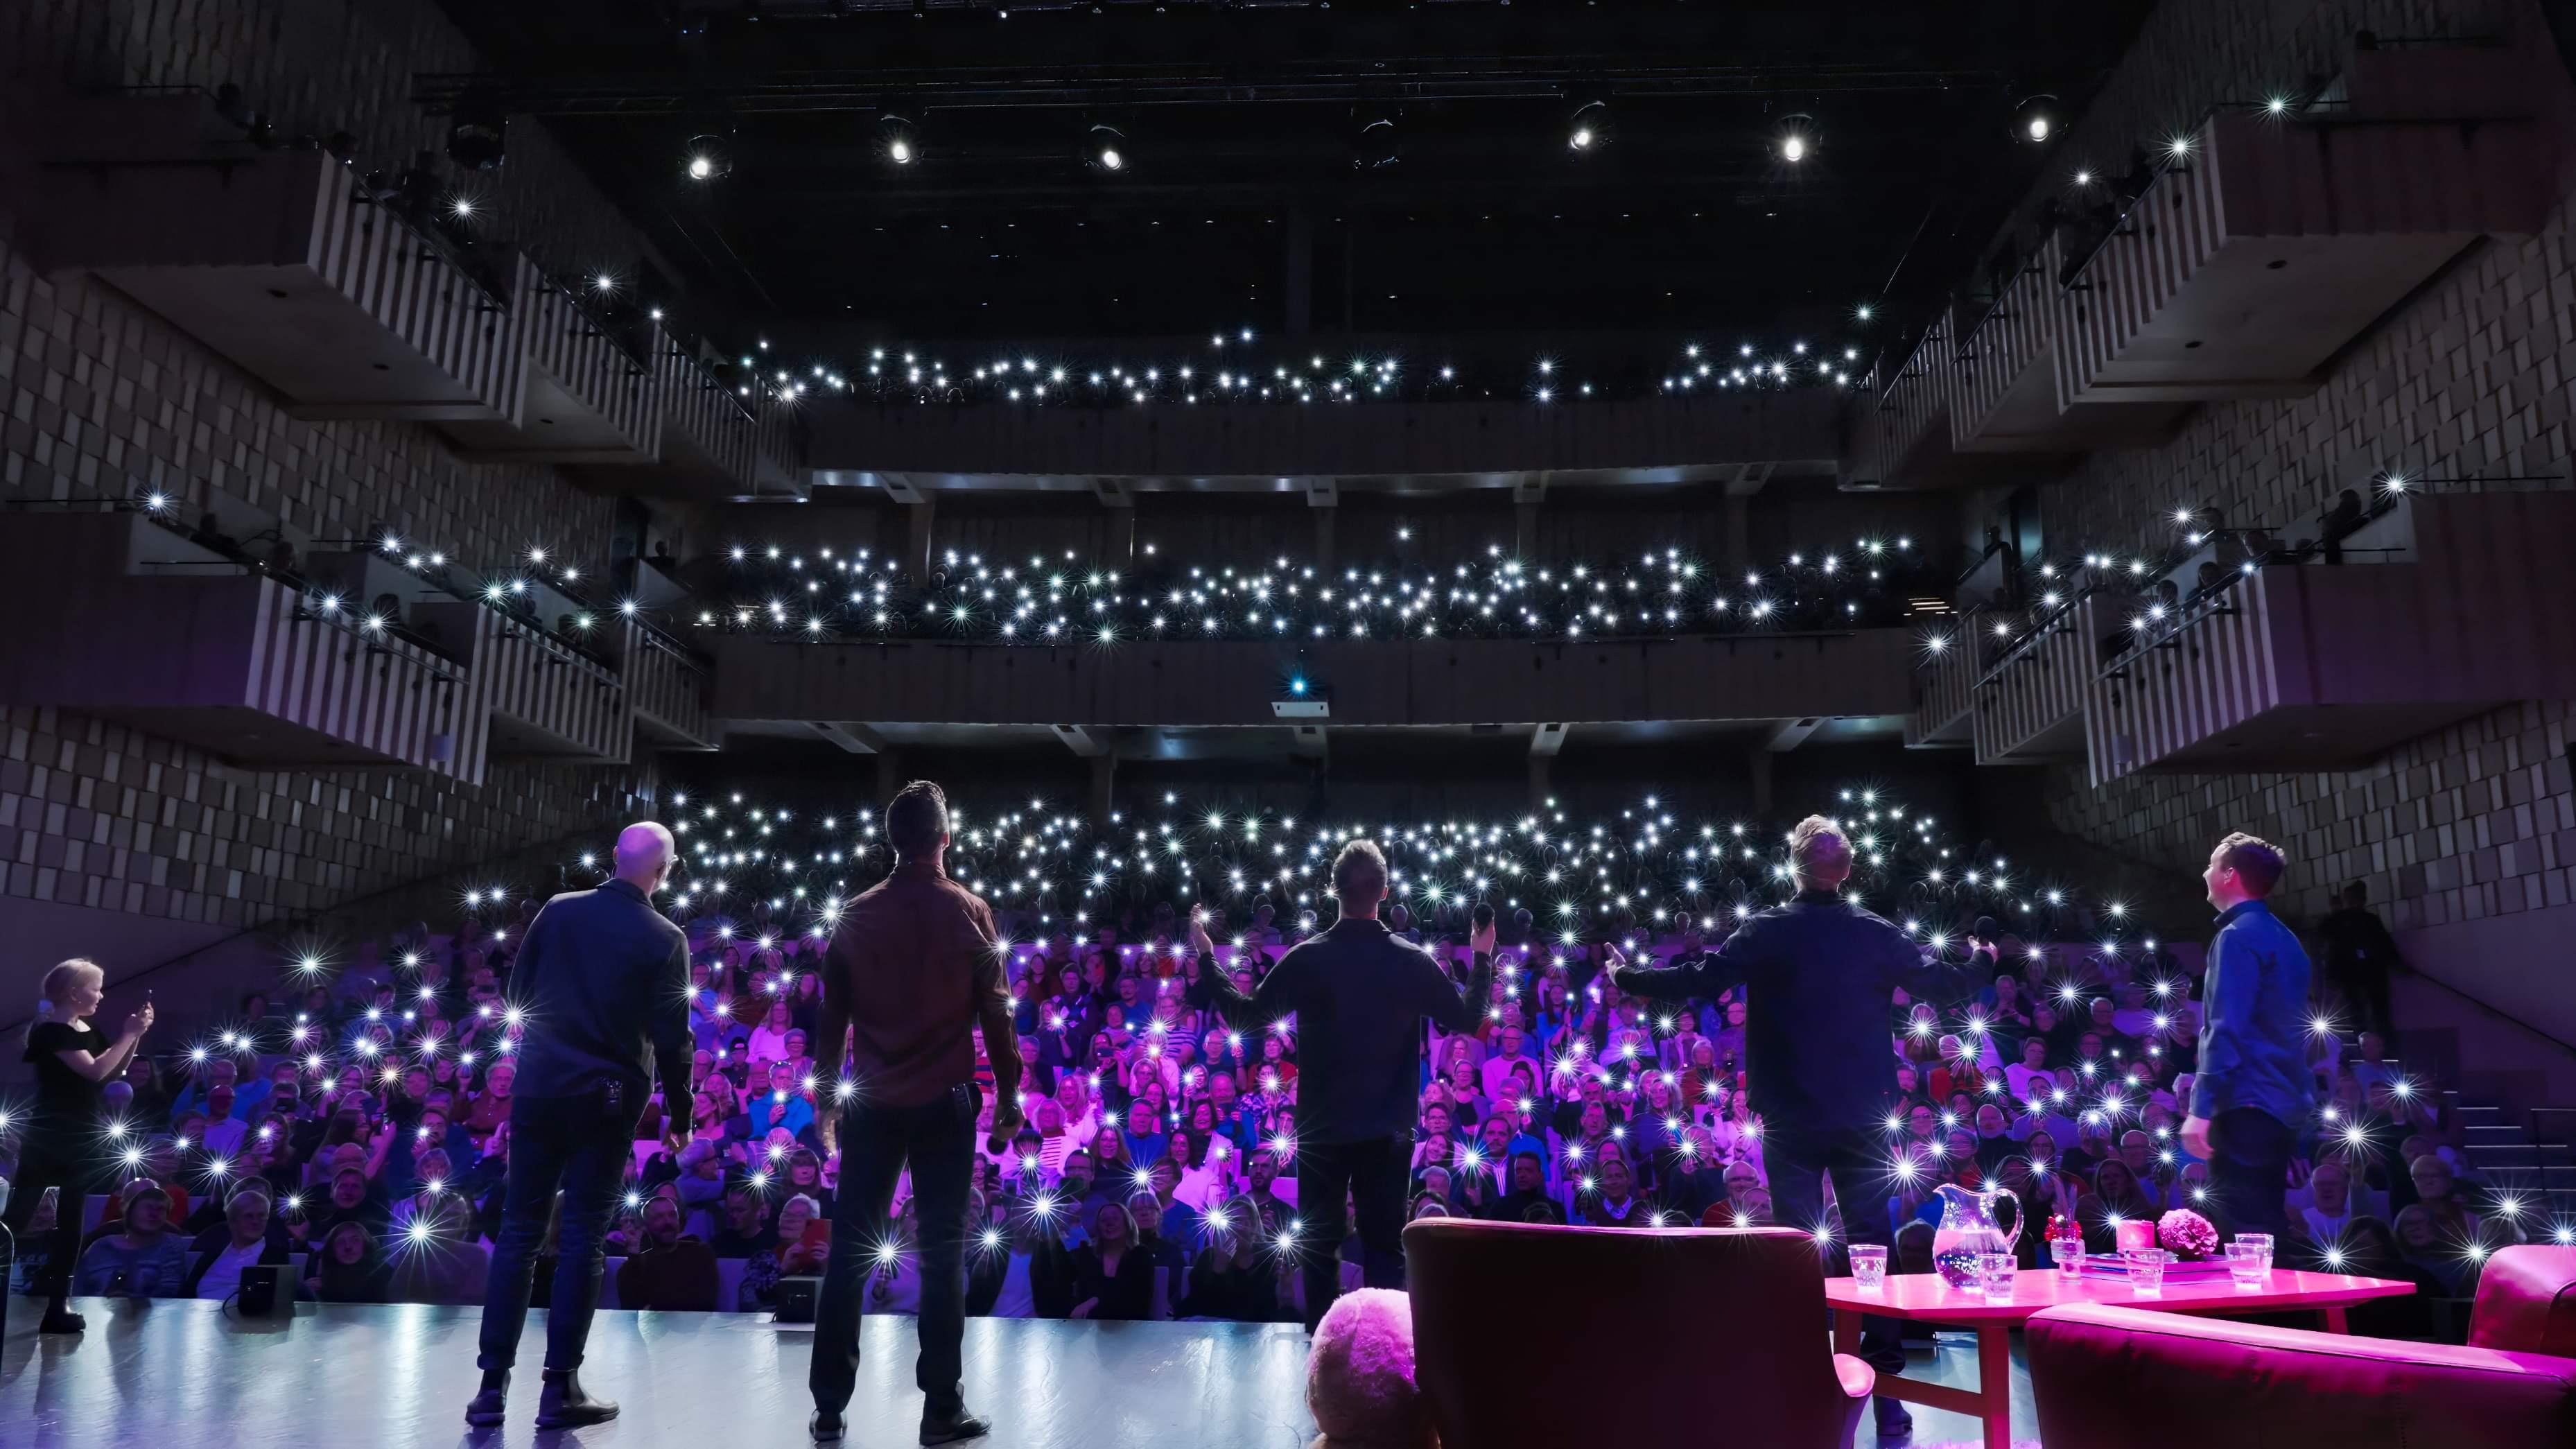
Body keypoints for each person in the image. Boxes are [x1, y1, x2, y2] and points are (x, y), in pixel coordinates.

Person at [1606, 815, 1973, 1443]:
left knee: (1797, 1245)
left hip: (1792, 1115)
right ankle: (1887, 1401)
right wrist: (1983, 963)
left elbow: (1700, 979)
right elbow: (1943, 985)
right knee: (1870, 1251)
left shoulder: (1768, 931)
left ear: (1793, 867)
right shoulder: (1875, 933)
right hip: (1864, 1115)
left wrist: (1627, 978)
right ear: (1848, 868)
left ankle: (1805, 1382)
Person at [1185, 841, 1493, 1330]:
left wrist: (1206, 955)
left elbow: (1246, 1015)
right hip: (1388, 1131)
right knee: (1384, 1248)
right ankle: (1386, 1356)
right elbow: (1469, 1016)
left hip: (1322, 1129)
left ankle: (1321, 1354)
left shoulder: (1309, 957)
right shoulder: (1409, 959)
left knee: (1321, 1245)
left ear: (1333, 891)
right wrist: (1481, 956)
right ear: (1385, 892)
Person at [809, 781, 1023, 1446]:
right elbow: (997, 1016)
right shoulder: (970, 911)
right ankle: (940, 1409)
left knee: (849, 1252)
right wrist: (1010, 1097)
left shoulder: (854, 914)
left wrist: (824, 1102)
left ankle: (829, 1408)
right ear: (945, 836)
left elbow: (830, 1020)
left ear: (892, 839)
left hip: (871, 1103)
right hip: (944, 1103)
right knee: (940, 1254)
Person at [468, 822, 694, 1431]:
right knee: (583, 1238)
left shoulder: (557, 911)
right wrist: (681, 1112)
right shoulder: (664, 936)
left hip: (538, 1087)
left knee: (518, 1234)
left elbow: (519, 990)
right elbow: (673, 1038)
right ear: (665, 870)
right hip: (606, 1099)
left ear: (614, 859)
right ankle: (559, 1388)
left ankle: (491, 1388)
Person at [8, 958, 154, 1333]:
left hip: (81, 1134)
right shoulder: (52, 1032)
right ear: (74, 992)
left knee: (72, 1221)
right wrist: (126, 1034)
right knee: (19, 1216)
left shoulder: (85, 1028)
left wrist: (135, 1035)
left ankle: (59, 1304)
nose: (101, 994)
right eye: (95, 987)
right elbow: (94, 1071)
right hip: (51, 1134)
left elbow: (116, 1069)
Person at [2179, 833, 2314, 1238]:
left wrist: (2200, 1109)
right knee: (2264, 1226)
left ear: (2229, 875)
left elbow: (2225, 1029)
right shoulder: (2286, 940)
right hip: (2279, 1104)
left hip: (2246, 1104)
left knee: (2241, 1232)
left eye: (2211, 864)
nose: (2205, 872)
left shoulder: (2236, 938)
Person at [2319, 881, 2403, 1039]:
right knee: (2363, 1011)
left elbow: (2385, 945)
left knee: (2369, 1011)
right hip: (2359, 974)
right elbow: (2386, 945)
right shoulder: (2350, 921)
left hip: (2364, 974)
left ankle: (2375, 1043)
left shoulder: (2362, 921)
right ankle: (2373, 1043)